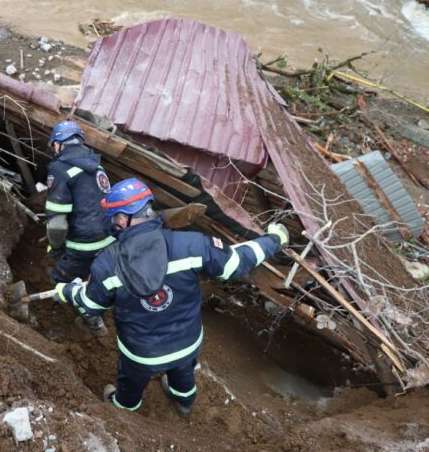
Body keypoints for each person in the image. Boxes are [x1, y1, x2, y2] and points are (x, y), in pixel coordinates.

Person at [54, 178, 288, 415]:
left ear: (124, 219)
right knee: (183, 372)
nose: (113, 222)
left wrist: (69, 291)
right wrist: (274, 239)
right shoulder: (192, 244)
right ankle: (184, 402)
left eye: (114, 217)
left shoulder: (107, 264)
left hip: (140, 353)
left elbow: (90, 305)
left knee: (130, 382)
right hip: (187, 343)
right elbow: (236, 263)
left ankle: (124, 408)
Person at [45, 120, 115, 336]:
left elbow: (57, 225)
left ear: (58, 144)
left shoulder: (59, 168)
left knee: (60, 278)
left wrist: (56, 248)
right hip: (110, 239)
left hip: (84, 243)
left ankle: (93, 322)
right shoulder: (96, 165)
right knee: (97, 275)